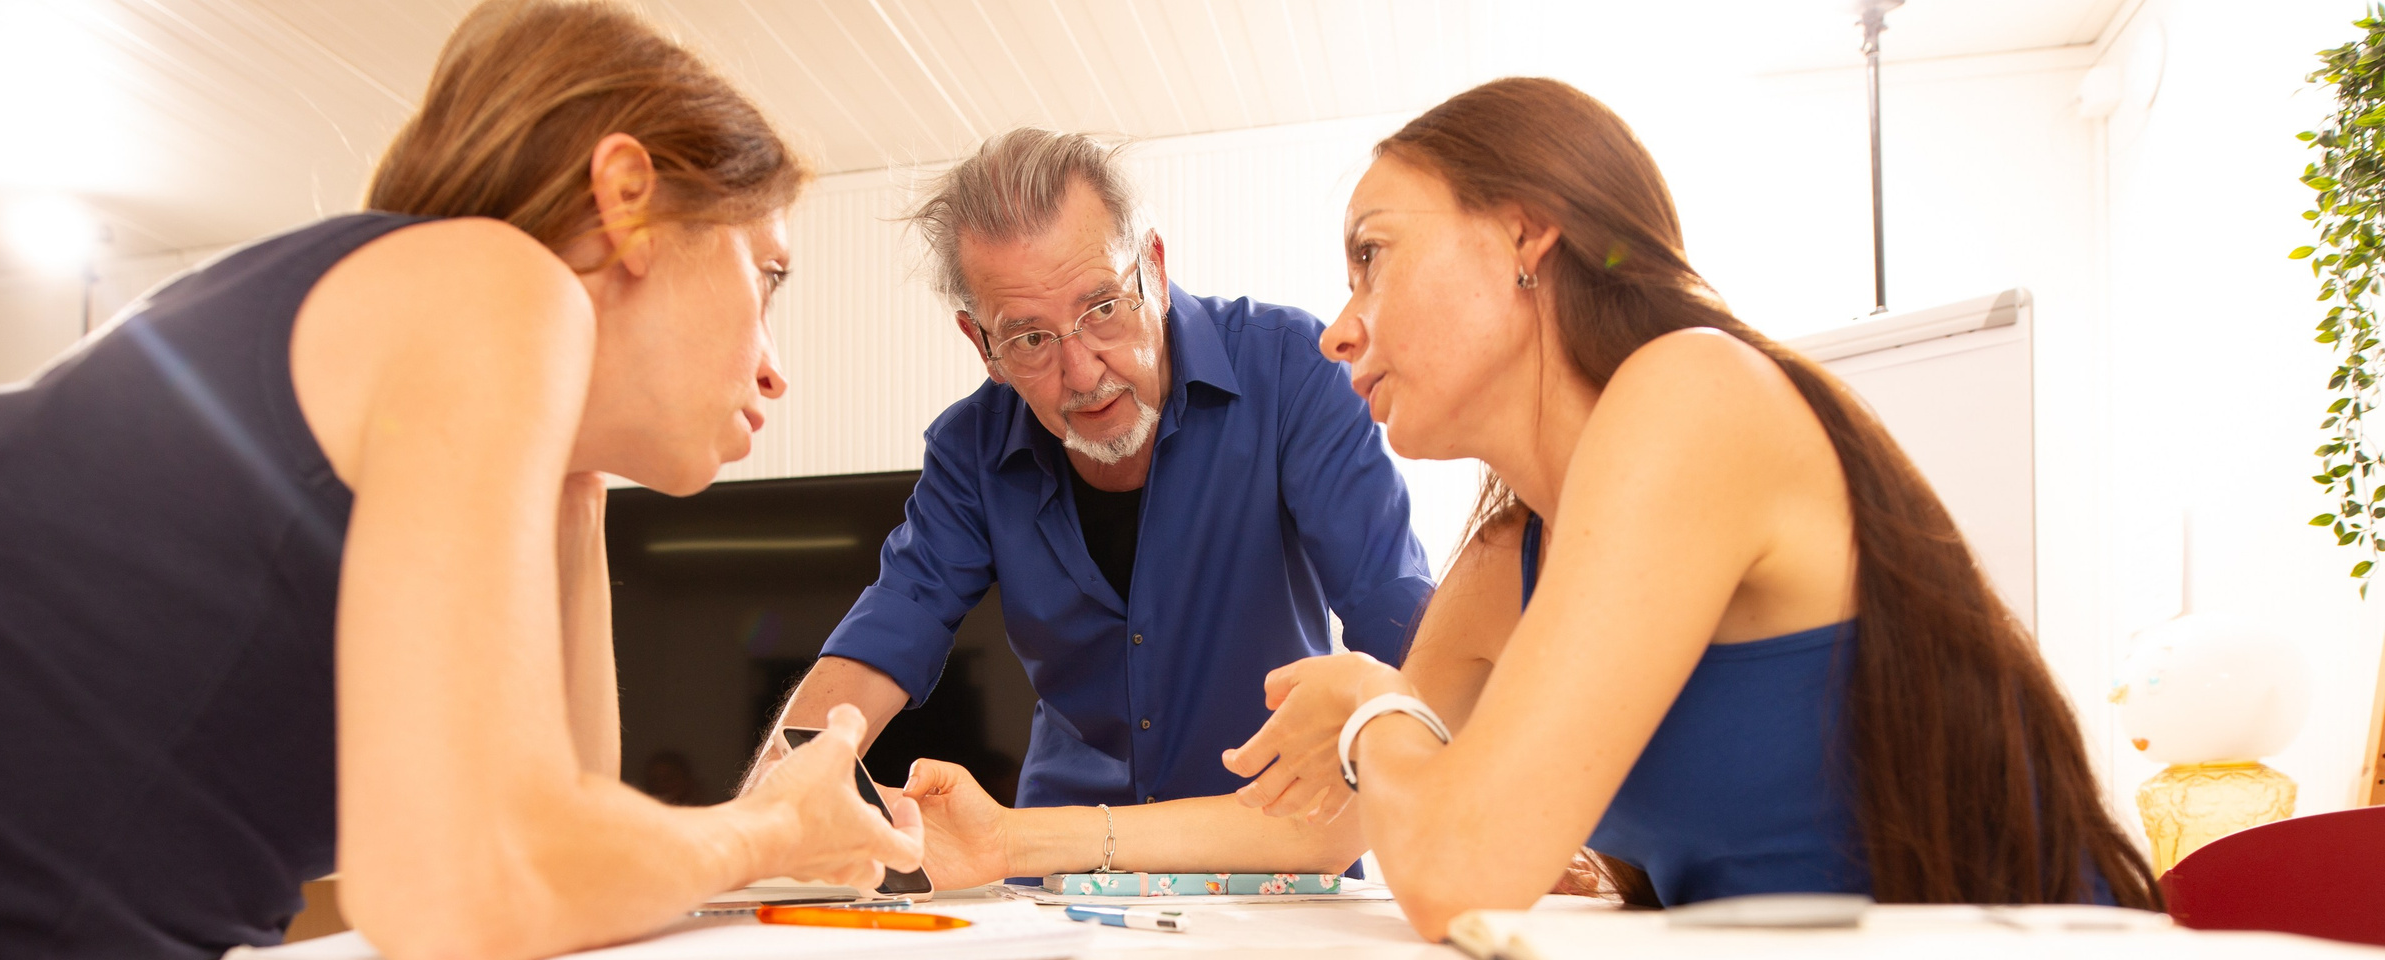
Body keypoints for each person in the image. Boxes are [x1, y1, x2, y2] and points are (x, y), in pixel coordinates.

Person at [0, 3, 920, 958]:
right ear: (625, 197)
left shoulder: (450, 359)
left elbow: (562, 862)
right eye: (767, 273)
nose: (775, 360)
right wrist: (775, 830)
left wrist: (579, 474)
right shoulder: (488, 281)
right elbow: (472, 890)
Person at [1219, 77, 2158, 938]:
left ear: (1524, 232)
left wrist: (1371, 705)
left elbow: (1453, 865)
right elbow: (1359, 820)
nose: (1340, 330)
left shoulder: (1697, 391)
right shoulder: (1506, 564)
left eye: (1371, 256)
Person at [748, 129, 1434, 887]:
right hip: (1054, 875)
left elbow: (1397, 618)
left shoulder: (1294, 372)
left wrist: (1471, 790)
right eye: (1031, 339)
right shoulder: (970, 452)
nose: (1082, 369)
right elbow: (889, 630)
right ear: (983, 347)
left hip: (1273, 860)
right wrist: (762, 821)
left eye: (1103, 306)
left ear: (1156, 271)